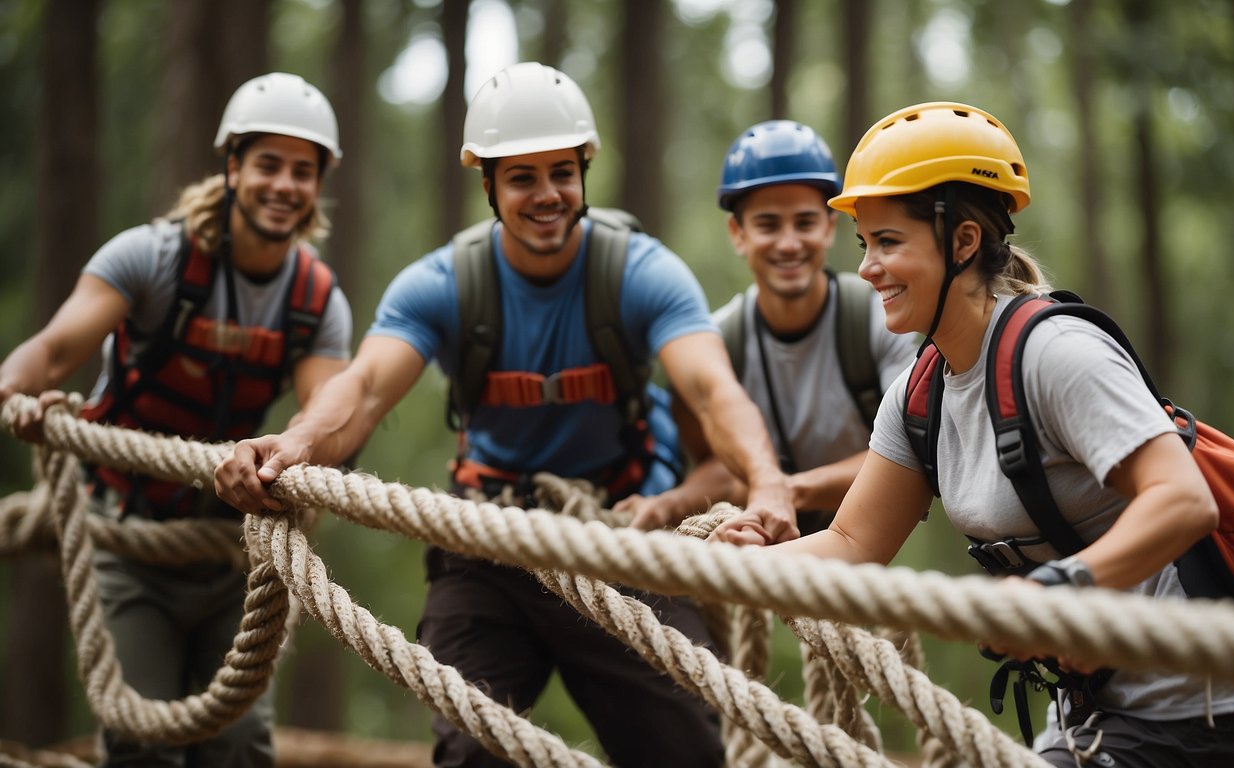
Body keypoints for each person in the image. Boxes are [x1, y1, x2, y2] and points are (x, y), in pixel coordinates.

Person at [213, 61, 797, 767]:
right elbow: (364, 388)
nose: (547, 194)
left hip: (625, 537)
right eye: (522, 178)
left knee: (686, 754)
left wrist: (767, 484)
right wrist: (294, 443)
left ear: (584, 172)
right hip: (485, 549)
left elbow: (712, 391)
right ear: (487, 185)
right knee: (473, 754)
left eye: (562, 172)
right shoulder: (444, 284)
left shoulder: (641, 272)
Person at [712, 101, 1234, 766]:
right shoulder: (920, 393)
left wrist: (1054, 592)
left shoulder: (1058, 355)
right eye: (865, 245)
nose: (866, 268)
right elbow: (851, 541)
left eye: (889, 242)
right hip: (1090, 707)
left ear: (963, 241)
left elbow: (1185, 501)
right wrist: (722, 568)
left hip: (1192, 702)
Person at [0, 72, 353, 767]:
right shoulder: (151, 258)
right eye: (268, 165)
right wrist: (14, 392)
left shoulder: (316, 299)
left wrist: (287, 455)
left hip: (231, 547)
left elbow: (328, 416)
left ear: (318, 186)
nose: (284, 185)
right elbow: (53, 350)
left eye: (302, 171)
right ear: (232, 167)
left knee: (243, 746)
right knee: (142, 741)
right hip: (129, 541)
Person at [615, 119, 917, 536]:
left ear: (830, 227)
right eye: (768, 225)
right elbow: (720, 466)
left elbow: (910, 454)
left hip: (862, 549)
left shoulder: (881, 322)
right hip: (758, 550)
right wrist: (671, 503)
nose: (789, 243)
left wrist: (783, 490)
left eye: (806, 222)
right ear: (738, 234)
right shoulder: (715, 341)